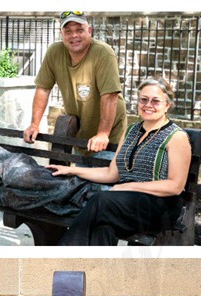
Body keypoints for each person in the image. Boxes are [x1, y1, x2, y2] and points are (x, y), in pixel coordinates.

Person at [45, 78, 192, 245]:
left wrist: (128, 186)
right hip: (124, 203)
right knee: (104, 227)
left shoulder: (176, 137)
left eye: (156, 101)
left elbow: (175, 186)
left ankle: (61, 258)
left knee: (101, 200)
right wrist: (72, 170)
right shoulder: (130, 131)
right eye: (143, 99)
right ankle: (94, 270)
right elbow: (111, 174)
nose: (148, 105)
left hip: (159, 206)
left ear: (167, 105)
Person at [23, 11, 127, 157]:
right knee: (76, 177)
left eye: (79, 30)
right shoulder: (54, 52)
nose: (74, 36)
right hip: (80, 139)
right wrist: (34, 124)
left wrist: (103, 134)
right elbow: (43, 88)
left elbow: (110, 95)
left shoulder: (103, 53)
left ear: (89, 31)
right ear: (62, 34)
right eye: (68, 31)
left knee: (99, 179)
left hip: (110, 140)